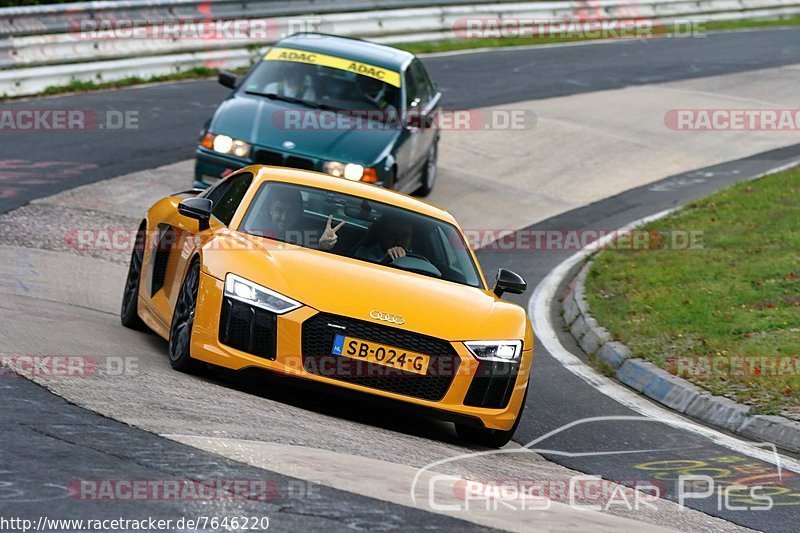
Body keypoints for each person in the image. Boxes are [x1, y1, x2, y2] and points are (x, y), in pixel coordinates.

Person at [263, 188, 342, 251]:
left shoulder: (311, 237)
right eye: (279, 210)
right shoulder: (254, 231)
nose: (284, 217)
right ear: (270, 209)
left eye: (291, 212)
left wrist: (322, 246)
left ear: (300, 212)